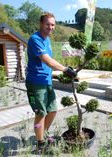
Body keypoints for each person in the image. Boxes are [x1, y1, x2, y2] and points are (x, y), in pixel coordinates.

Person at [25, 12, 76, 152]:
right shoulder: (35, 39)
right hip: (35, 82)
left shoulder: (47, 40)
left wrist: (59, 74)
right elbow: (47, 61)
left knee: (52, 110)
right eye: (47, 24)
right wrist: (65, 69)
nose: (50, 27)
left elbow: (50, 63)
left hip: (46, 81)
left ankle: (42, 134)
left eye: (53, 24)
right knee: (41, 113)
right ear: (41, 24)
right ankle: (40, 144)